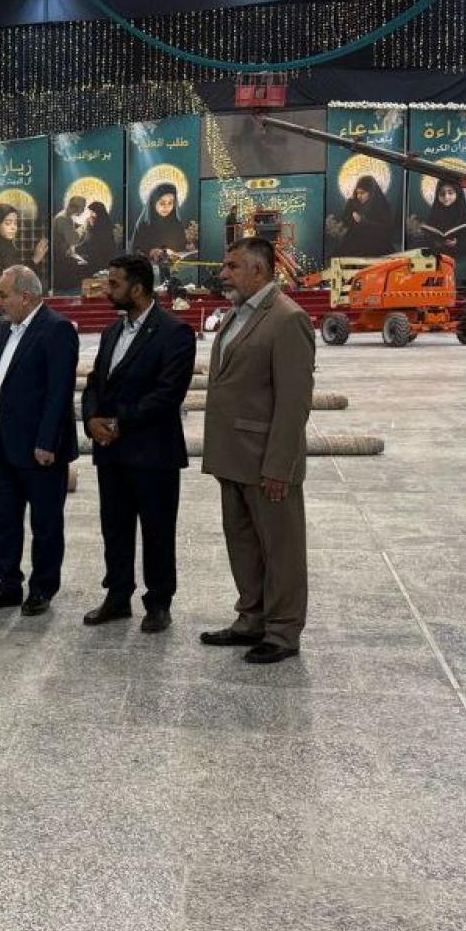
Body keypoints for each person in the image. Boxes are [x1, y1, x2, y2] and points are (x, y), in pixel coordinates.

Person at [201, 237, 313, 663]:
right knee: (244, 544)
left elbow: (294, 402)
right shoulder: (237, 314)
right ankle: (251, 619)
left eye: (232, 266)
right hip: (232, 455)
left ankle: (283, 631)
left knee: (281, 550)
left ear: (259, 270)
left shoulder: (288, 319)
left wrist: (280, 466)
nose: (223, 273)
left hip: (266, 459)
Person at [81, 252, 196, 634]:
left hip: (152, 453)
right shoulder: (112, 332)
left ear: (138, 288)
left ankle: (159, 603)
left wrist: (119, 422)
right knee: (114, 528)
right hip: (111, 452)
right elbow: (95, 383)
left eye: (114, 283)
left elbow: (168, 394)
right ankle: (117, 596)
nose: (106, 290)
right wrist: (91, 419)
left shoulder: (174, 332)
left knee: (157, 531)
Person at [0, 266, 78, 617]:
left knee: (45, 523)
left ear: (27, 297)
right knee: (4, 520)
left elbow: (59, 392)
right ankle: (7, 584)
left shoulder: (56, 329)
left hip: (38, 448)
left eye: (4, 295)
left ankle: (42, 588)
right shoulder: (8, 329)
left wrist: (47, 441)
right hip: (4, 443)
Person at [333, 174, 398, 258]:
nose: (359, 196)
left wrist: (363, 222)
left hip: (377, 249)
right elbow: (346, 223)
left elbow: (385, 230)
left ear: (371, 192)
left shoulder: (381, 206)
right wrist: (349, 206)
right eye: (357, 193)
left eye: (362, 193)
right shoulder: (355, 205)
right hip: (355, 249)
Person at [420, 180, 466, 278]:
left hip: (458, 255)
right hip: (436, 254)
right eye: (442, 194)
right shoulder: (434, 214)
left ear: (457, 194)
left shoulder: (463, 214)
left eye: (450, 193)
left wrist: (457, 243)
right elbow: (426, 238)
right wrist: (437, 242)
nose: (446, 197)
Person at [0, 203, 49, 274]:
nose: (14, 228)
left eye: (15, 223)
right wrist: (35, 259)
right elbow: (15, 277)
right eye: (8, 223)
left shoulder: (6, 246)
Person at [132, 182, 189, 256]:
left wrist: (188, 247)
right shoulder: (143, 225)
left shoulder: (177, 224)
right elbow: (135, 251)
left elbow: (182, 247)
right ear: (153, 203)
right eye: (162, 203)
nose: (166, 207)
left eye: (170, 203)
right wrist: (150, 252)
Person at [51, 195, 90, 287]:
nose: (83, 211)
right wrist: (83, 227)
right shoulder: (63, 219)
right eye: (83, 208)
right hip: (61, 258)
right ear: (76, 207)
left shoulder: (67, 216)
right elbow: (73, 240)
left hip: (65, 254)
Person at [79, 200, 120, 274]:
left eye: (93, 212)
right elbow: (86, 240)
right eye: (90, 212)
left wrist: (91, 227)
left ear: (99, 212)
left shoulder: (105, 224)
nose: (91, 215)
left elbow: (97, 241)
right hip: (92, 254)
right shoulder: (91, 222)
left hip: (102, 257)